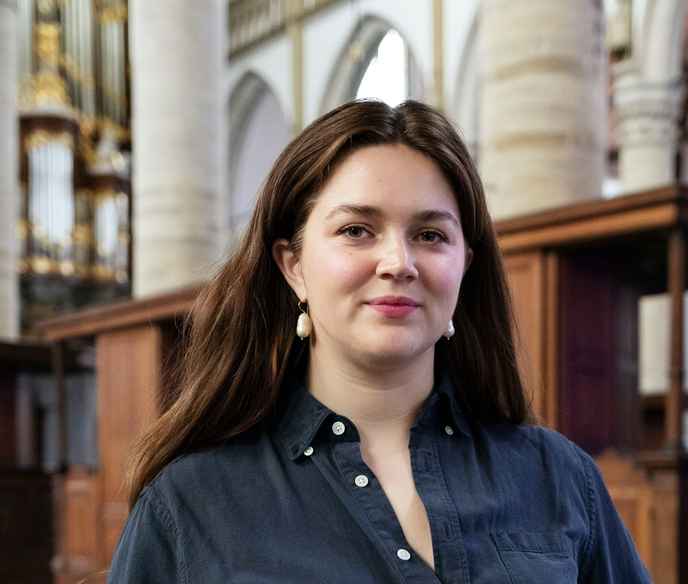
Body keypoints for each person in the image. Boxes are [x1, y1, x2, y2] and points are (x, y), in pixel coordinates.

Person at [108, 99, 651, 583]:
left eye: (430, 235)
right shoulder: (190, 505)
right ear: (293, 266)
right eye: (356, 230)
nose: (398, 263)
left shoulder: (559, 478)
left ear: (464, 265)